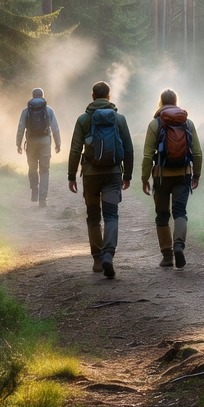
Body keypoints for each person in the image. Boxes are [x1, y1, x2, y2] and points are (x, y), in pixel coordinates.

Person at [68, 80, 134, 278]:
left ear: (92, 96)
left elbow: (75, 149)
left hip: (90, 175)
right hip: (113, 174)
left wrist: (71, 175)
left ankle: (97, 258)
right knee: (112, 215)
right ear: (109, 96)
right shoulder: (119, 119)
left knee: (94, 216)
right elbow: (129, 149)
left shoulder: (83, 119)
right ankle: (108, 254)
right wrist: (128, 175)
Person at [140, 89, 203, 269]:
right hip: (183, 174)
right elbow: (197, 152)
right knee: (180, 212)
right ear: (176, 102)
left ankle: (167, 256)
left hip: (160, 177)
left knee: (162, 215)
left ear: (160, 102)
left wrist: (145, 178)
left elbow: (147, 156)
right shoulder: (187, 123)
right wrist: (196, 174)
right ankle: (179, 245)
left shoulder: (155, 124)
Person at [16, 88, 61, 207]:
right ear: (42, 96)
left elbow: (21, 127)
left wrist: (18, 144)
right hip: (45, 142)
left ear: (32, 96)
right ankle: (42, 200)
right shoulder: (49, 110)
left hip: (31, 142)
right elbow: (55, 128)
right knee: (44, 171)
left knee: (32, 168)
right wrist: (58, 144)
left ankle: (34, 188)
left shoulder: (26, 111)